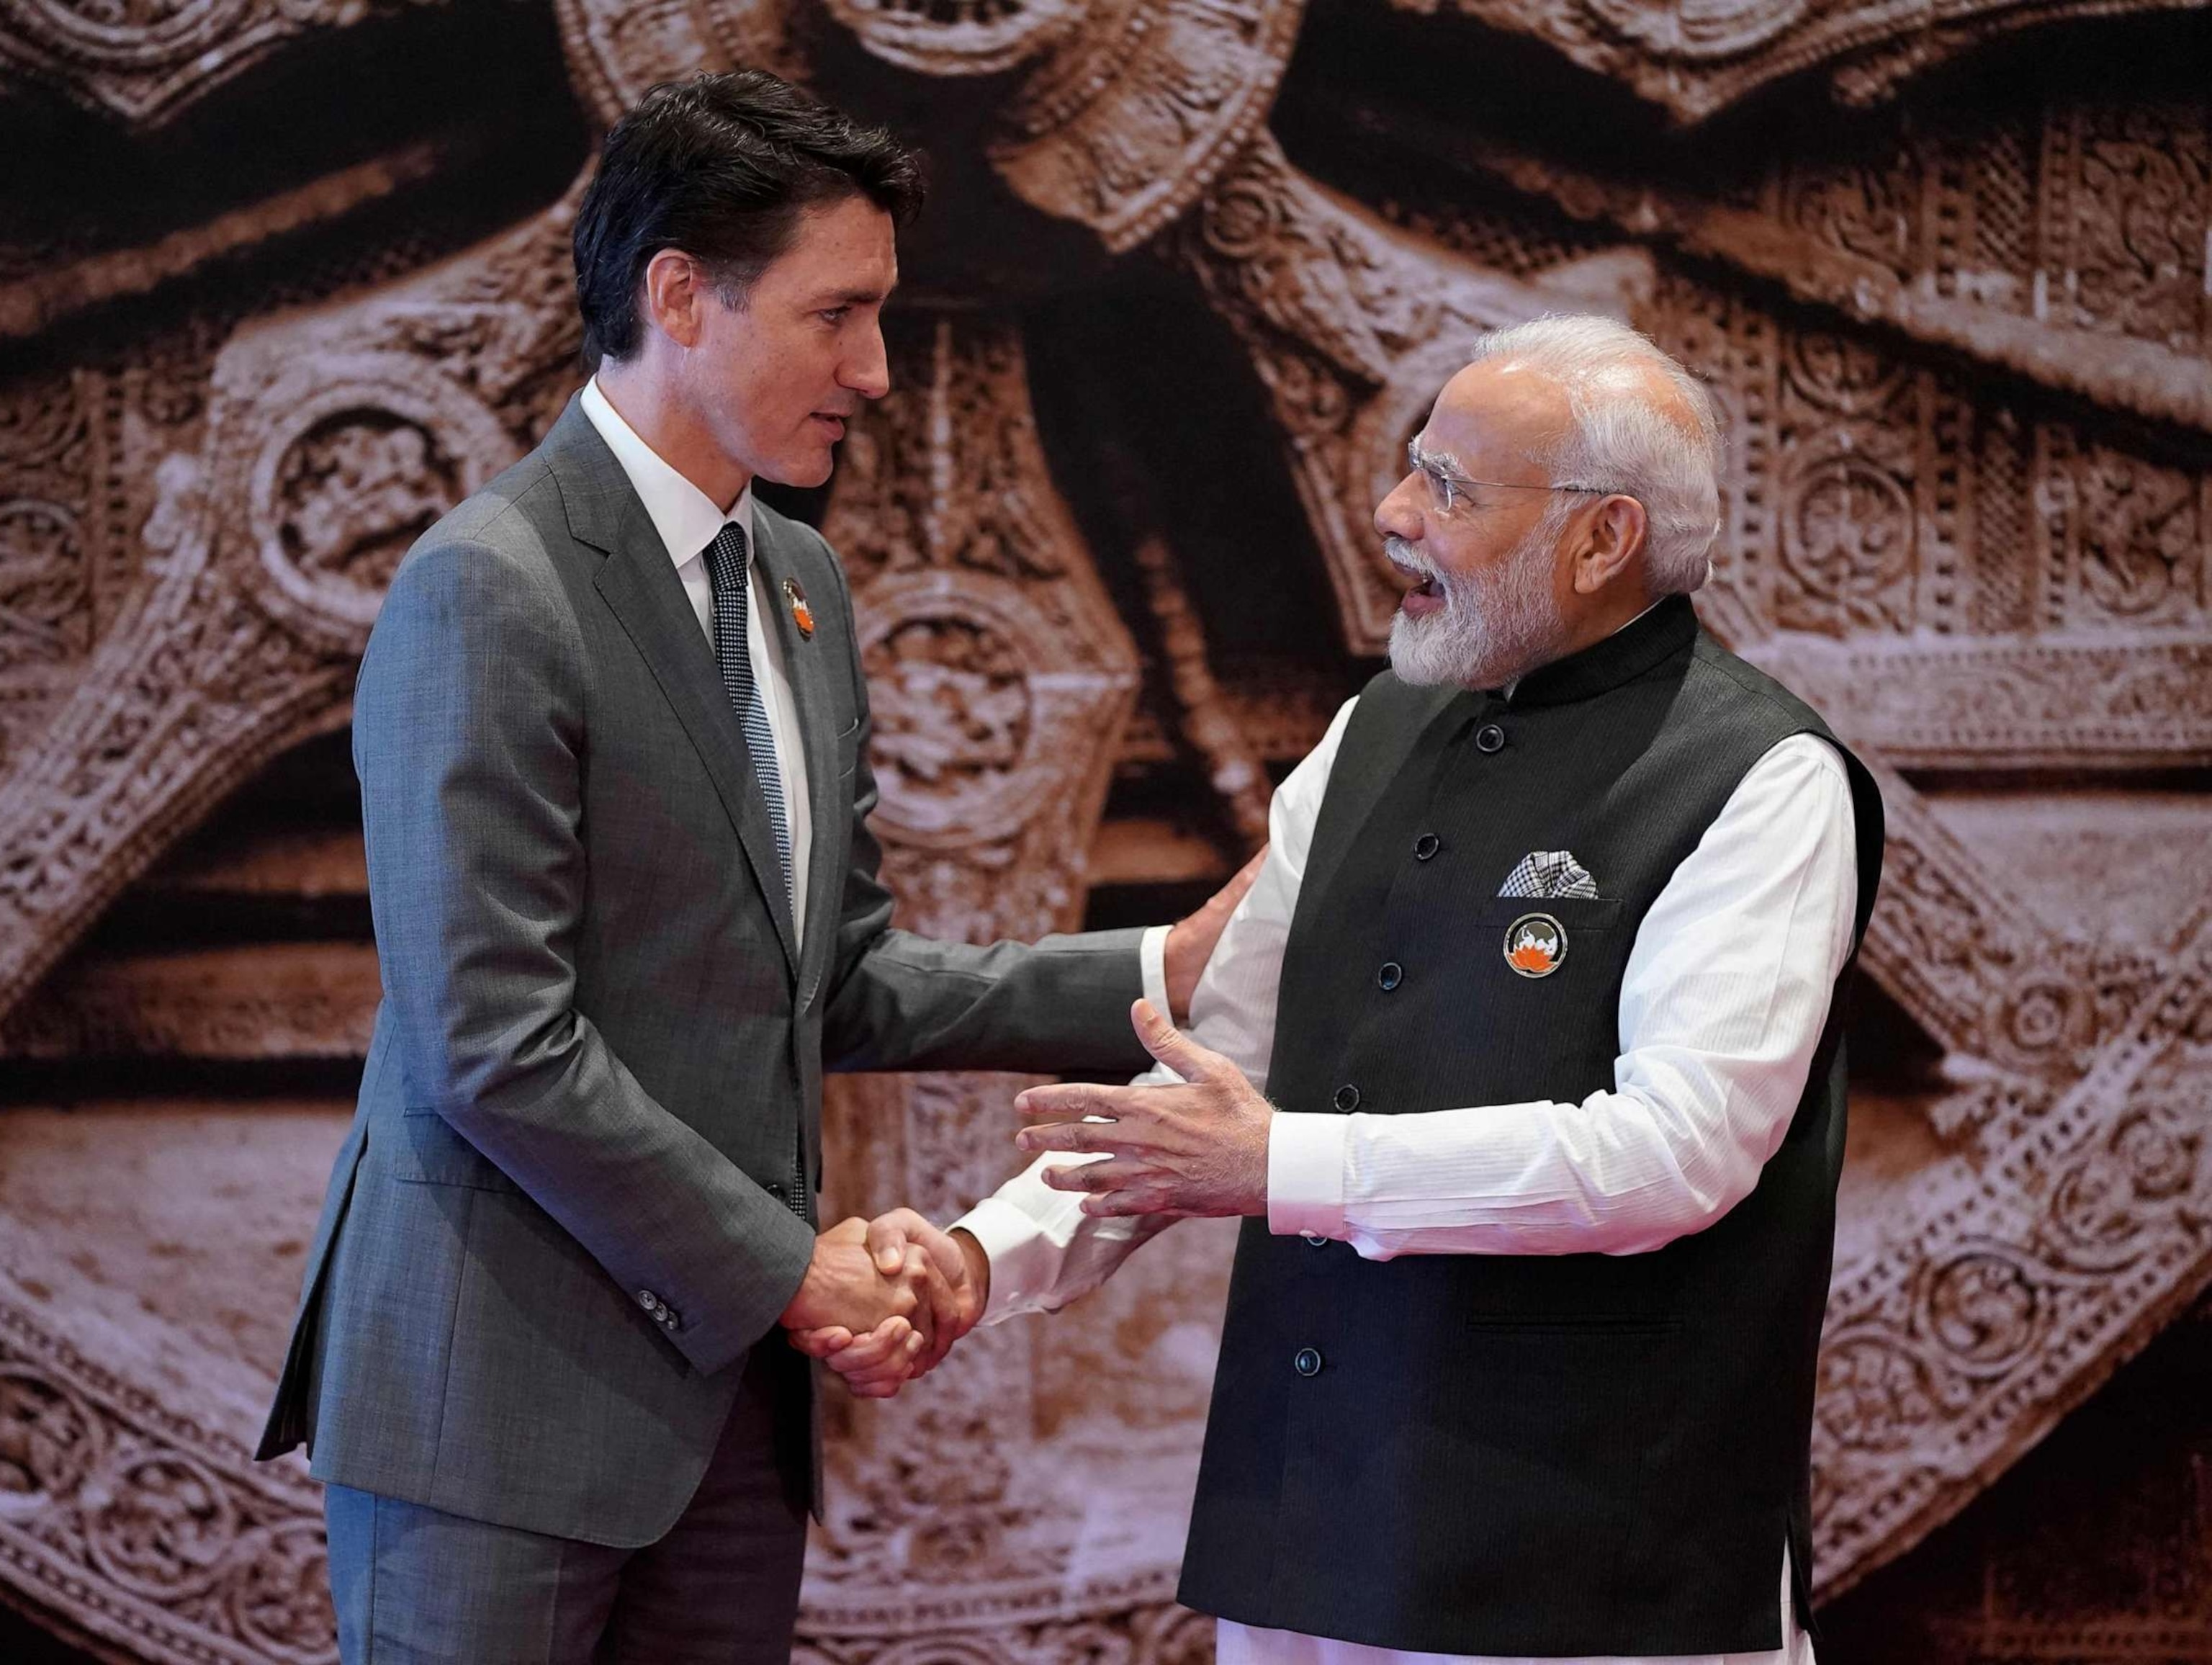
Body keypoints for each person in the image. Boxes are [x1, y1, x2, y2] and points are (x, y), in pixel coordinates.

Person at [255, 69, 1244, 1664]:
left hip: (723, 1417)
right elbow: (491, 1038)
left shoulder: (795, 581)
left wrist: (1155, 971)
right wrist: (794, 1269)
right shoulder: (487, 589)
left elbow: (834, 973)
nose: (874, 369)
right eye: (837, 315)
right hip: (493, 1413)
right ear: (677, 297)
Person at [830, 317, 1887, 1665]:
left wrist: (1281, 1165)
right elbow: (1216, 1080)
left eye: (1449, 487)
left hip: (1588, 1574)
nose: (1393, 516)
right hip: (1310, 1539)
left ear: (1604, 540)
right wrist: (988, 1258)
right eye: (1411, 469)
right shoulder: (1368, 731)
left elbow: (1675, 1155)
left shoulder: (1762, 778)